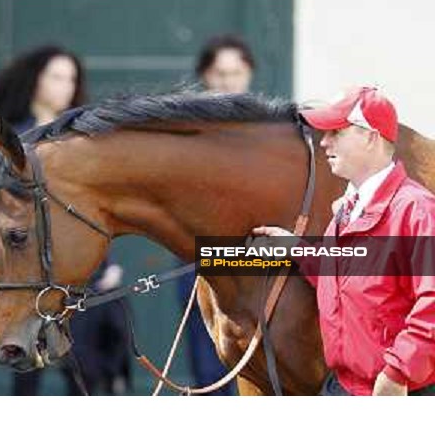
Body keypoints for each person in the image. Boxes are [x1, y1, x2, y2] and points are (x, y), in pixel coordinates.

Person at [254, 86, 435, 396]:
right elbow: (343, 276)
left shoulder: (416, 209)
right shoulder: (349, 206)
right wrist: (296, 249)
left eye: (336, 132)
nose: (324, 142)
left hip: (396, 392)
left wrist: (397, 372)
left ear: (371, 136)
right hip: (342, 386)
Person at [0, 45, 130, 395]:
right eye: (56, 76)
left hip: (83, 276)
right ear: (36, 81)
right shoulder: (13, 140)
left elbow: (96, 207)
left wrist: (107, 264)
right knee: (26, 372)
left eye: (70, 78)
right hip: (31, 274)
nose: (65, 85)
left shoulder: (82, 137)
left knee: (86, 375)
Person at [175, 35, 257, 396]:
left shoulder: (264, 125)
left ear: (248, 74)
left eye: (236, 72)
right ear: (206, 75)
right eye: (220, 73)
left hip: (252, 259)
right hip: (198, 257)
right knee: (207, 367)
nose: (228, 81)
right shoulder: (187, 127)